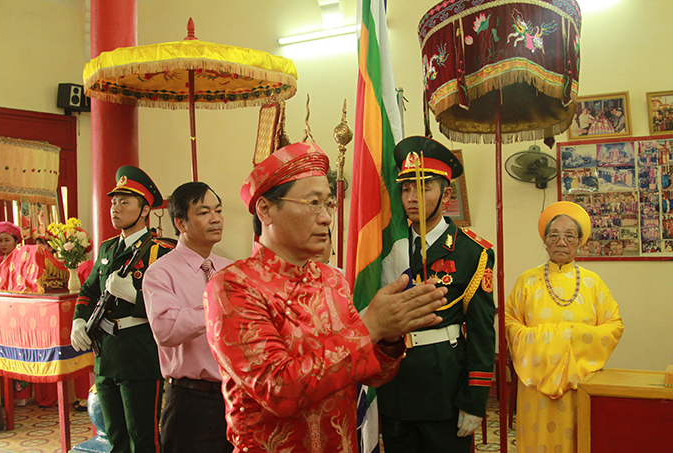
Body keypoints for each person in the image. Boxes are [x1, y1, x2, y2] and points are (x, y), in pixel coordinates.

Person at [203, 141, 449, 453]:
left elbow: (372, 375)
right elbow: (278, 389)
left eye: (329, 204)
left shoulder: (332, 279)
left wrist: (388, 337)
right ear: (265, 209)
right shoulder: (234, 286)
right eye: (313, 203)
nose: (326, 218)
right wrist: (370, 327)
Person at [377, 136, 496, 453]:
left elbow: (482, 332)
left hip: (443, 387)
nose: (412, 197)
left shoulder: (472, 252)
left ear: (446, 194)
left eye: (423, 187)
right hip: (395, 386)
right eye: (405, 188)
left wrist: (475, 400)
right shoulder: (388, 250)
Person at [505, 201, 624, 453]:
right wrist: (546, 344)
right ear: (545, 241)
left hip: (577, 383)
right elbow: (510, 322)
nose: (561, 242)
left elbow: (613, 325)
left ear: (580, 242)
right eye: (554, 235)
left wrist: (573, 338)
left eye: (569, 236)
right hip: (535, 383)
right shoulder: (527, 281)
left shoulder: (594, 283)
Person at [70, 165, 173, 453]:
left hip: (139, 353)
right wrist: (79, 321)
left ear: (143, 210)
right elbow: (90, 291)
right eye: (113, 201)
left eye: (124, 202)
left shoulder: (159, 251)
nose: (115, 207)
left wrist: (135, 298)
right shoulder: (106, 249)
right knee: (115, 438)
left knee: (143, 439)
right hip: (106, 354)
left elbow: (170, 306)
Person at [142, 181, 233, 453]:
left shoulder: (230, 269)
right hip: (191, 400)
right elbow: (166, 330)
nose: (216, 218)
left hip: (233, 397)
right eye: (204, 212)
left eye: (218, 210)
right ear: (180, 223)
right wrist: (217, 308)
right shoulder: (161, 273)